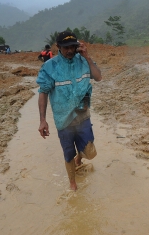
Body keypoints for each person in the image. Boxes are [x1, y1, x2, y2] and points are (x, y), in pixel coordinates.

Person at [36, 31, 102, 191]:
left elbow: (98, 77)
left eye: (73, 46)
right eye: (66, 48)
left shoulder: (83, 61)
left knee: (90, 152)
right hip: (63, 120)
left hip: (82, 116)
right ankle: (73, 184)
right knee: (68, 154)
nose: (70, 50)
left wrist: (87, 56)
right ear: (58, 47)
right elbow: (43, 93)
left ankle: (80, 157)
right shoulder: (50, 67)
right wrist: (43, 120)